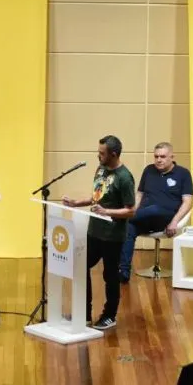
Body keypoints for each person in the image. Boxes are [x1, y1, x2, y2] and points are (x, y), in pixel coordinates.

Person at [62, 135, 136, 330]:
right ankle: (84, 313)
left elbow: (130, 210)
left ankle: (109, 315)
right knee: (81, 266)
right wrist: (77, 203)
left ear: (113, 154)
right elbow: (98, 197)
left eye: (102, 153)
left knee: (110, 275)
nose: (98, 156)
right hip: (94, 231)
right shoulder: (101, 169)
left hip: (113, 236)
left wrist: (107, 212)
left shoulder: (125, 178)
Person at [119, 142, 193, 282]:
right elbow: (139, 194)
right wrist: (133, 209)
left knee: (154, 209)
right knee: (129, 227)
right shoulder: (149, 170)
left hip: (166, 217)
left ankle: (118, 216)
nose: (159, 160)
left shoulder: (183, 174)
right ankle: (123, 271)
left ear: (172, 157)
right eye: (156, 156)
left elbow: (188, 202)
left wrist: (175, 222)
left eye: (163, 156)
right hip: (144, 217)